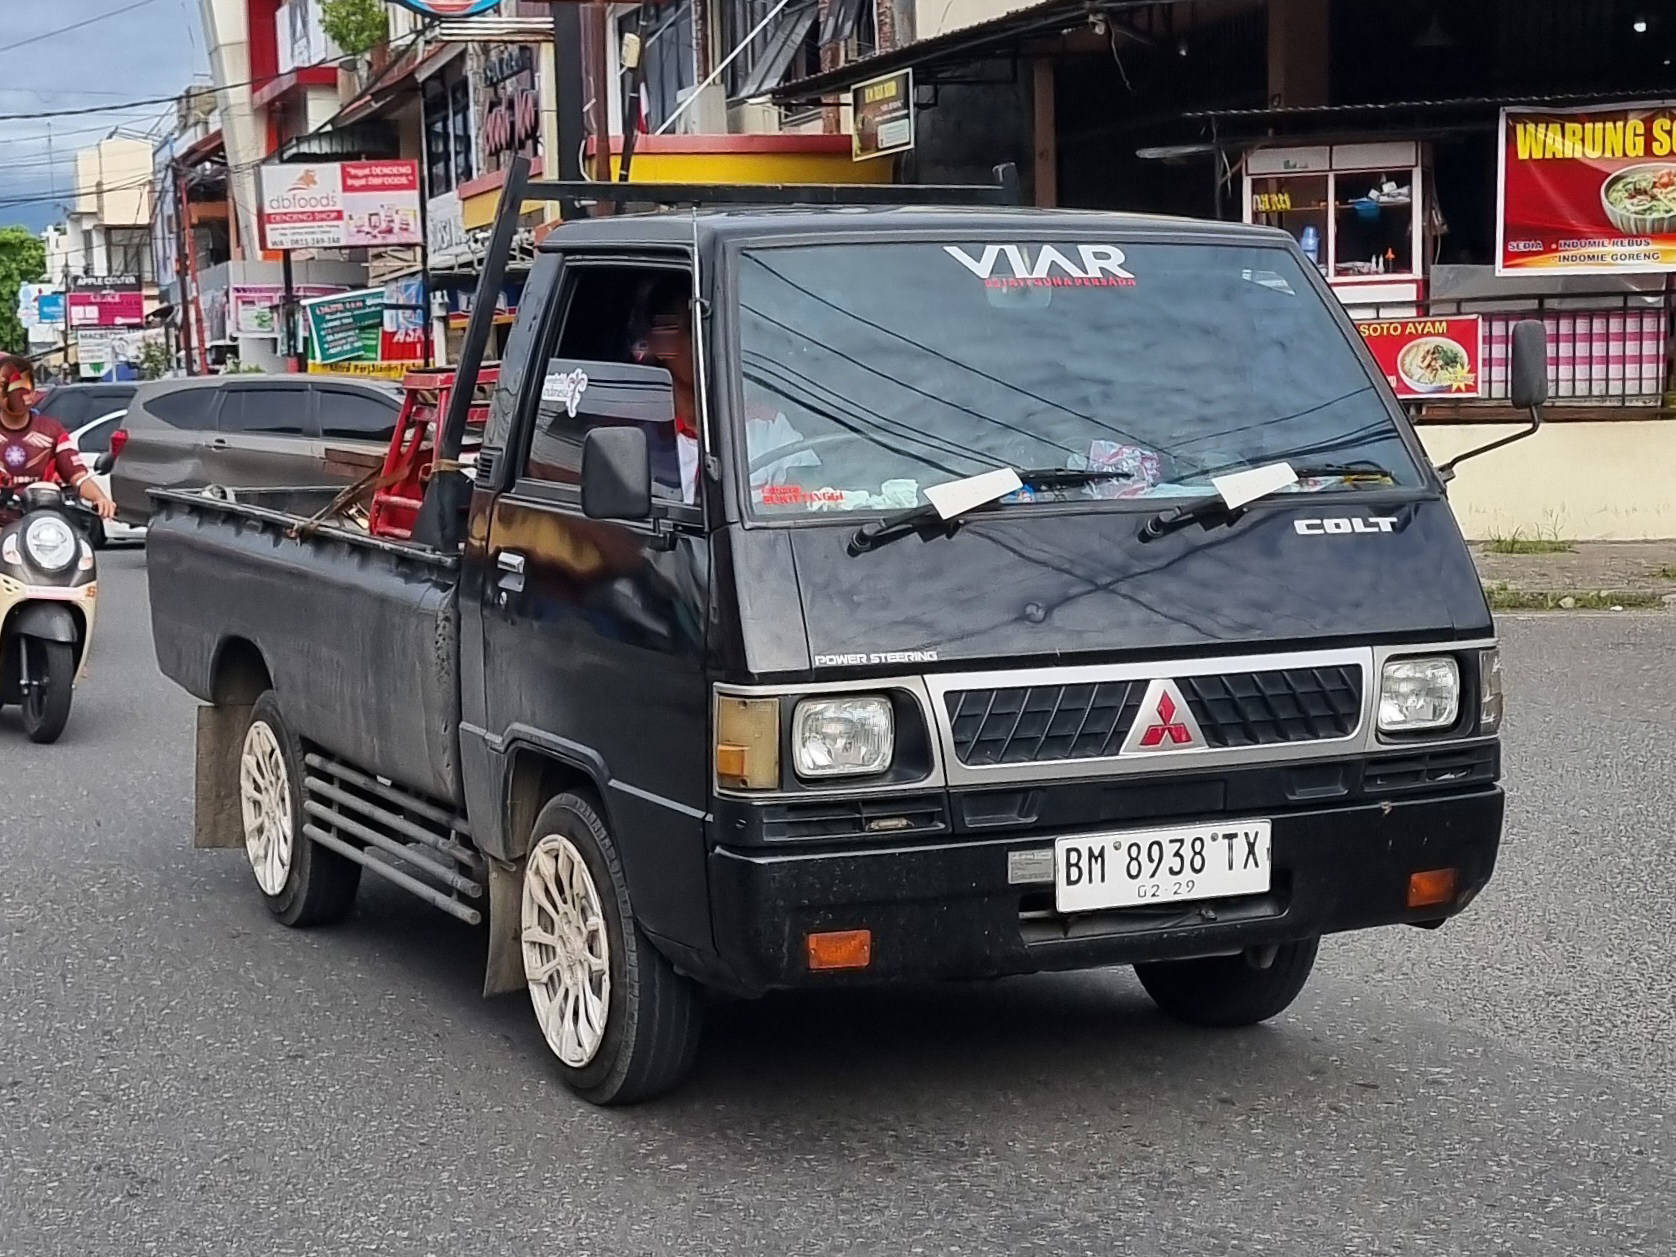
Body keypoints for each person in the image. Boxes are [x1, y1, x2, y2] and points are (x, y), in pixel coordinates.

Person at [636, 283, 815, 505]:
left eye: (727, 332)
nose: (716, 345)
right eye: (698, 332)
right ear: (661, 343)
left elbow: (815, 500)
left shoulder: (768, 427)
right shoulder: (634, 433)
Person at [0, 356, 118, 523]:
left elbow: (77, 475)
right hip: (3, 523)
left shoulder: (52, 431)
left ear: (33, 393)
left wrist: (100, 498)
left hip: (45, 523)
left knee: (82, 548)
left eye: (23, 387)